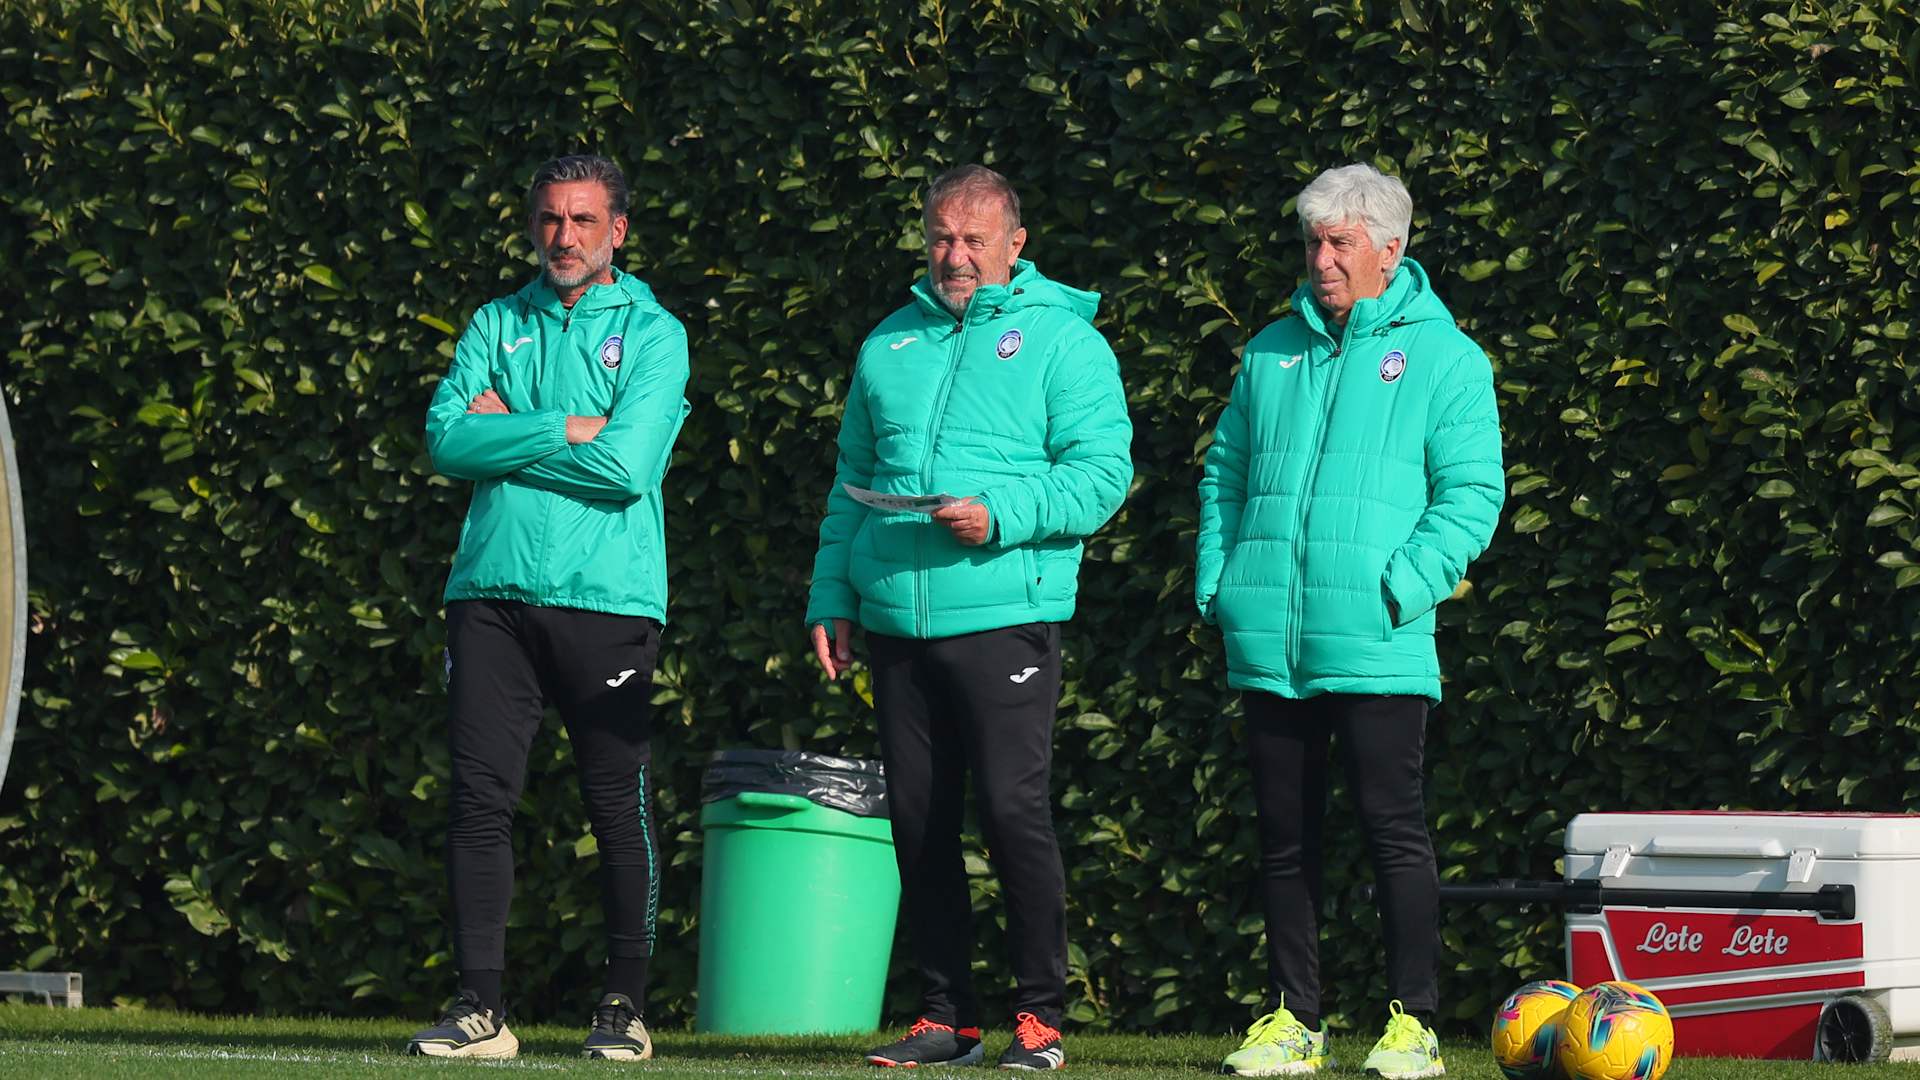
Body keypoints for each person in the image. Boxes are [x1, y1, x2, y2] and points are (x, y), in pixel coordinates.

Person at [806, 164, 1133, 1071]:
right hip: (895, 624)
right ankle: (946, 1017)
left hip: (1005, 616)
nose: (955, 255)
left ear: (1014, 244)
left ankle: (1041, 1020)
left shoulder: (1065, 342)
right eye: (941, 237)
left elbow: (1103, 474)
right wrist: (832, 595)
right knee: (918, 823)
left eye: (974, 240)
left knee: (1012, 813)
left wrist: (1002, 514)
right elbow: (850, 482)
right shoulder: (890, 342)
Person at [1196, 163, 1504, 1079]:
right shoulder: (1269, 352)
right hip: (1270, 639)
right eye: (1313, 242)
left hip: (1377, 639)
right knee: (1283, 841)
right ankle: (1295, 1021)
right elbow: (1224, 474)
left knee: (1392, 832)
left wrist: (1397, 590)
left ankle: (1415, 1026)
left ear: (1390, 251)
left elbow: (1472, 496)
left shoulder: (1447, 359)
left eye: (1340, 243)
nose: (1321, 259)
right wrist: (1220, 582)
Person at [409, 154, 690, 1061]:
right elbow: (446, 440)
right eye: (549, 220)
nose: (563, 237)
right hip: (489, 595)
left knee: (616, 803)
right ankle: (480, 1010)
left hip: (607, 600)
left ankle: (625, 1007)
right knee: (478, 799)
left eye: (582, 220)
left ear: (618, 231)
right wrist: (563, 426)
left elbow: (627, 468)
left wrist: (508, 431)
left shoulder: (654, 333)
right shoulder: (497, 321)